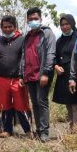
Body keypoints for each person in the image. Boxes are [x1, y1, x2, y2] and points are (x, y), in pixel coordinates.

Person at [0, 15, 32, 138]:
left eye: (10, 27)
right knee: (5, 106)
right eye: (4, 27)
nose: (7, 29)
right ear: (1, 28)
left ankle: (28, 130)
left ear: (15, 27)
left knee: (21, 105)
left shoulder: (23, 40)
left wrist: (24, 76)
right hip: (1, 79)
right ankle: (7, 130)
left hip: (18, 79)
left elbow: (26, 59)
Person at [20, 7, 57, 142]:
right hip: (29, 75)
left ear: (40, 19)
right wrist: (22, 74)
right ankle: (39, 130)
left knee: (42, 102)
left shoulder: (47, 33)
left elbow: (51, 53)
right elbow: (24, 56)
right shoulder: (27, 37)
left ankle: (45, 132)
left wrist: (46, 73)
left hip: (42, 74)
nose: (33, 21)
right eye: (30, 19)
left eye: (35, 19)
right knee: (35, 103)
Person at [52, 14, 77, 130]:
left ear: (72, 24)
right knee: (68, 104)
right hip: (63, 75)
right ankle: (71, 128)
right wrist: (56, 66)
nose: (64, 27)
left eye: (67, 24)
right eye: (62, 25)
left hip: (75, 75)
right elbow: (54, 56)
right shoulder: (59, 41)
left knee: (76, 105)